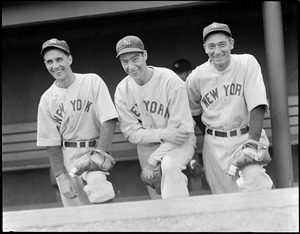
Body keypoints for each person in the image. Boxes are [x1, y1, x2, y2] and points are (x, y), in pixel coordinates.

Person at [186, 22, 273, 194]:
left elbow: (257, 104)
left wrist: (252, 143)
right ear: (205, 48)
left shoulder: (247, 63)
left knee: (256, 185)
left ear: (231, 43)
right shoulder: (196, 76)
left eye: (222, 44)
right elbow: (194, 110)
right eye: (211, 46)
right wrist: (209, 134)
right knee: (224, 200)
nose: (217, 51)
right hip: (215, 146)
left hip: (246, 136)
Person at [37, 38, 119, 207]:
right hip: (68, 156)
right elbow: (51, 143)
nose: (55, 66)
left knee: (98, 185)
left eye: (59, 59)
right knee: (76, 211)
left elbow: (108, 119)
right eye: (49, 62)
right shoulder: (47, 99)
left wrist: (100, 153)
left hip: (93, 150)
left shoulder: (91, 82)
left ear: (70, 59)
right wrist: (61, 176)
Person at [114, 35, 197, 199]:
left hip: (180, 141)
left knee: (169, 166)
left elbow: (179, 133)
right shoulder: (122, 90)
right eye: (125, 61)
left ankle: (183, 218)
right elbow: (131, 133)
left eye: (135, 59)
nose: (131, 66)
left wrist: (153, 161)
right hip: (147, 146)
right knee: (157, 200)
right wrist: (162, 134)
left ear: (145, 55)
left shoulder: (170, 81)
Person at [172, 59, 205, 186]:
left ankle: (191, 163)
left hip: (197, 120)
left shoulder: (194, 84)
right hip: (179, 127)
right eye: (178, 73)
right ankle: (191, 163)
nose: (180, 76)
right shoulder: (173, 86)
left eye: (182, 73)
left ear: (189, 72)